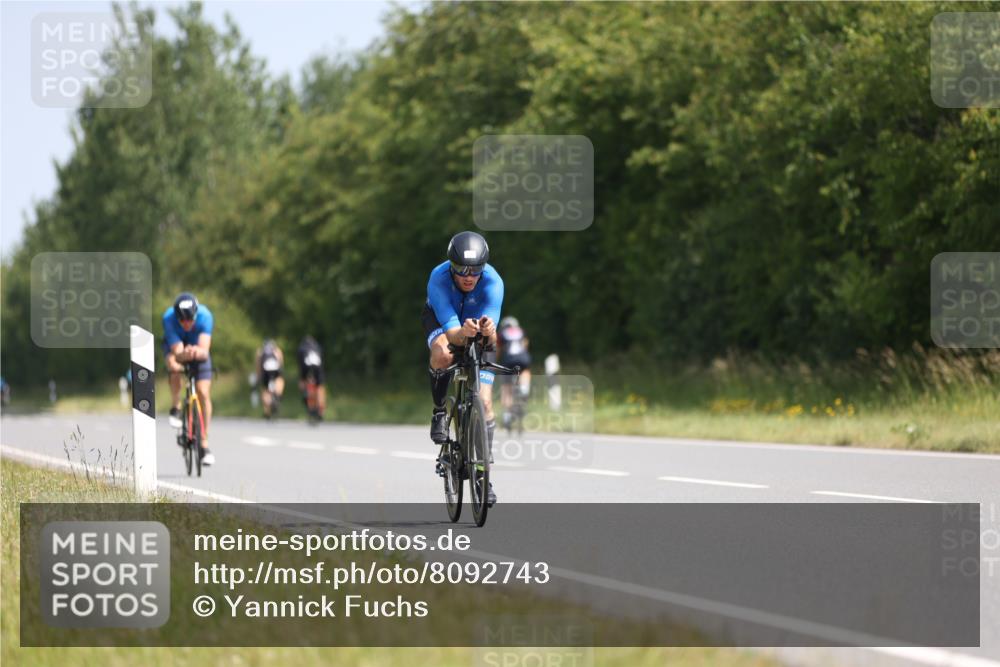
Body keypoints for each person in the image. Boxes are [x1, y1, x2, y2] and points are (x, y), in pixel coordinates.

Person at [422, 231, 503, 506]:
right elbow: (454, 334)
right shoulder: (438, 278)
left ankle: (482, 474)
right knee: (443, 354)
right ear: (451, 265)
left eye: (475, 270)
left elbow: (490, 339)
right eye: (461, 269)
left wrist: (488, 331)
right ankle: (440, 411)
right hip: (446, 323)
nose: (469, 276)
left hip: (478, 328)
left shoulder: (493, 281)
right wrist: (463, 333)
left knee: (486, 402)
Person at [163, 292, 216, 465]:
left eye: (190, 320)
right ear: (176, 317)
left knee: (203, 392)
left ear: (196, 315)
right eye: (182, 320)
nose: (186, 323)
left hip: (198, 351)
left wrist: (194, 352)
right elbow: (177, 352)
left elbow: (204, 350)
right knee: (174, 366)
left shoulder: (205, 316)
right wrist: (181, 355)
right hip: (178, 350)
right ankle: (176, 405)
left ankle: (204, 442)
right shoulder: (169, 318)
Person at [497, 316, 532, 428]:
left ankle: (507, 415)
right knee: (525, 370)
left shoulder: (501, 333)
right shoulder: (521, 331)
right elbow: (525, 344)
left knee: (506, 388)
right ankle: (524, 388)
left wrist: (496, 362)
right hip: (522, 357)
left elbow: (498, 349)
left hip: (508, 360)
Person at [297, 335, 326, 419]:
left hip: (306, 366)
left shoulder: (301, 348)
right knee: (320, 387)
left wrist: (301, 378)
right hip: (317, 366)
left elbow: (300, 363)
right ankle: (320, 411)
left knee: (303, 380)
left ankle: (305, 394)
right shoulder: (318, 347)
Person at [256, 338, 285, 419]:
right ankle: (277, 395)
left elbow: (258, 364)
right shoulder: (277, 350)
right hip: (275, 369)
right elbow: (280, 362)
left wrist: (259, 375)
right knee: (280, 380)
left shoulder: (260, 351)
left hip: (265, 370)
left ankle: (267, 411)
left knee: (265, 390)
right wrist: (281, 373)